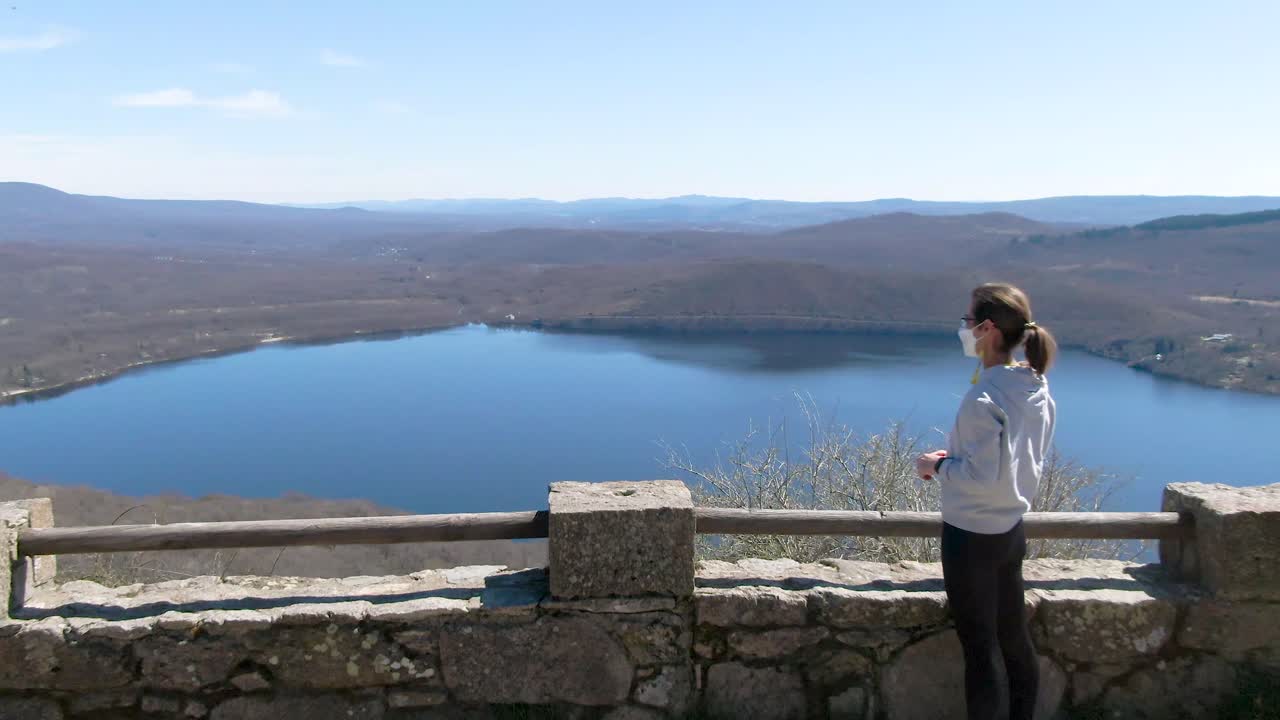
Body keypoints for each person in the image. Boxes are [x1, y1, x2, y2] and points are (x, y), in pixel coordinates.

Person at [916, 283, 1058, 720]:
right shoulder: (1034, 386)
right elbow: (1015, 461)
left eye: (968, 321)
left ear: (988, 328)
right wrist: (957, 459)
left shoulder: (985, 397)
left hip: (971, 534)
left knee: (980, 648)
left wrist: (935, 466)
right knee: (1014, 637)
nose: (964, 329)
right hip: (1011, 529)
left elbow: (978, 476)